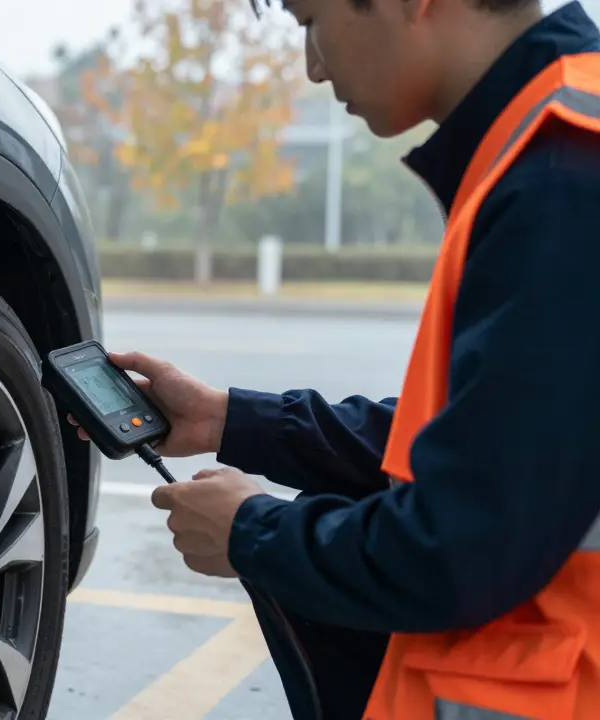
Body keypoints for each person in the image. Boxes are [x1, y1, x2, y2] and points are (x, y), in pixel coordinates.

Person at [71, 1, 600, 718]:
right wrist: (229, 419)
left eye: (309, 20)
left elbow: (461, 542)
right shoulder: (560, 136)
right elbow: (489, 445)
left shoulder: (561, 177)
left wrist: (250, 533)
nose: (313, 66)